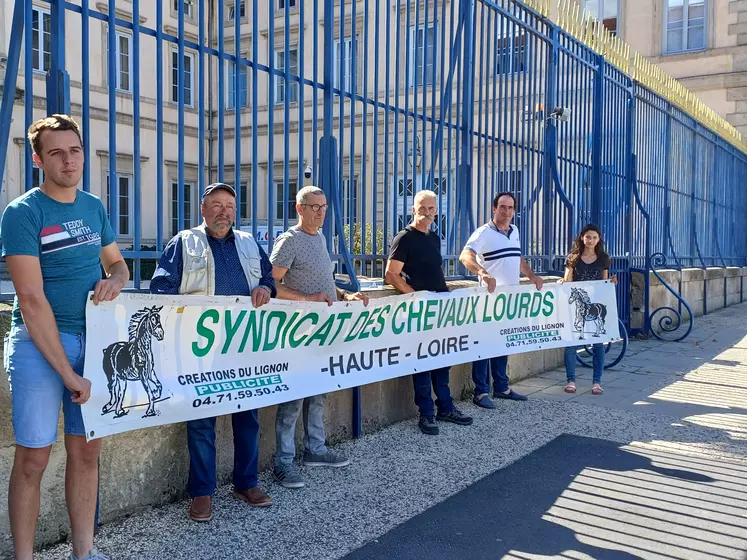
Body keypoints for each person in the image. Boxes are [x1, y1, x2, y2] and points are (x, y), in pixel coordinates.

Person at [0, 114, 129, 560]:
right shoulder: (23, 212)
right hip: (39, 348)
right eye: (56, 152)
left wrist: (115, 278)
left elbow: (118, 264)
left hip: (92, 345)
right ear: (38, 159)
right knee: (33, 460)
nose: (68, 160)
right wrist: (70, 375)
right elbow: (32, 301)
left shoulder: (93, 207)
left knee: (87, 453)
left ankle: (84, 553)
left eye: (74, 150)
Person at [150, 182, 276, 522]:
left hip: (243, 345)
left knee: (247, 417)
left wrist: (265, 287)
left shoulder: (249, 244)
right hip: (200, 349)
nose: (224, 212)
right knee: (201, 421)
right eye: (216, 205)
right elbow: (161, 288)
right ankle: (202, 492)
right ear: (203, 210)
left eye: (230, 207)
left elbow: (269, 278)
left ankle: (246, 483)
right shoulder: (184, 242)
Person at [270, 185, 368, 488]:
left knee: (318, 391)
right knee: (294, 396)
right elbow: (270, 283)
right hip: (296, 332)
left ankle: (316, 450)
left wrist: (344, 295)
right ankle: (283, 462)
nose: (321, 211)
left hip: (322, 332)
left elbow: (323, 283)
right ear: (300, 209)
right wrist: (305, 298)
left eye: (324, 206)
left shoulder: (321, 237)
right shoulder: (289, 240)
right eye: (314, 207)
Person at [385, 190, 473, 435]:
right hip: (421, 311)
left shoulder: (434, 238)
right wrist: (412, 294)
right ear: (413, 209)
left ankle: (445, 406)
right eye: (423, 208)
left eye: (432, 208)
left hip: (441, 309)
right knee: (422, 362)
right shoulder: (404, 238)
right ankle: (426, 414)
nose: (427, 212)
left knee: (442, 359)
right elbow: (391, 274)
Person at [459, 192, 543, 409]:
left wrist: (531, 275)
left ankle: (502, 387)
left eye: (511, 208)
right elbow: (465, 256)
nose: (506, 211)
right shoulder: (483, 233)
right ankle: (480, 392)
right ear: (494, 209)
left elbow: (518, 258)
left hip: (508, 302)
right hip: (487, 302)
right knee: (483, 346)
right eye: (502, 207)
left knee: (502, 343)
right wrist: (482, 273)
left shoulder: (514, 231)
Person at [557, 223, 617, 395]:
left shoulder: (604, 258)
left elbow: (605, 281)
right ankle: (571, 381)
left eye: (594, 237)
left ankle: (597, 382)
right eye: (588, 237)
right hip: (576, 306)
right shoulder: (573, 257)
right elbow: (568, 281)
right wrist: (563, 282)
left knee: (598, 344)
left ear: (599, 240)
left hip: (596, 303)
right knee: (571, 344)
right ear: (582, 238)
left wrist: (611, 282)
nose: (591, 240)